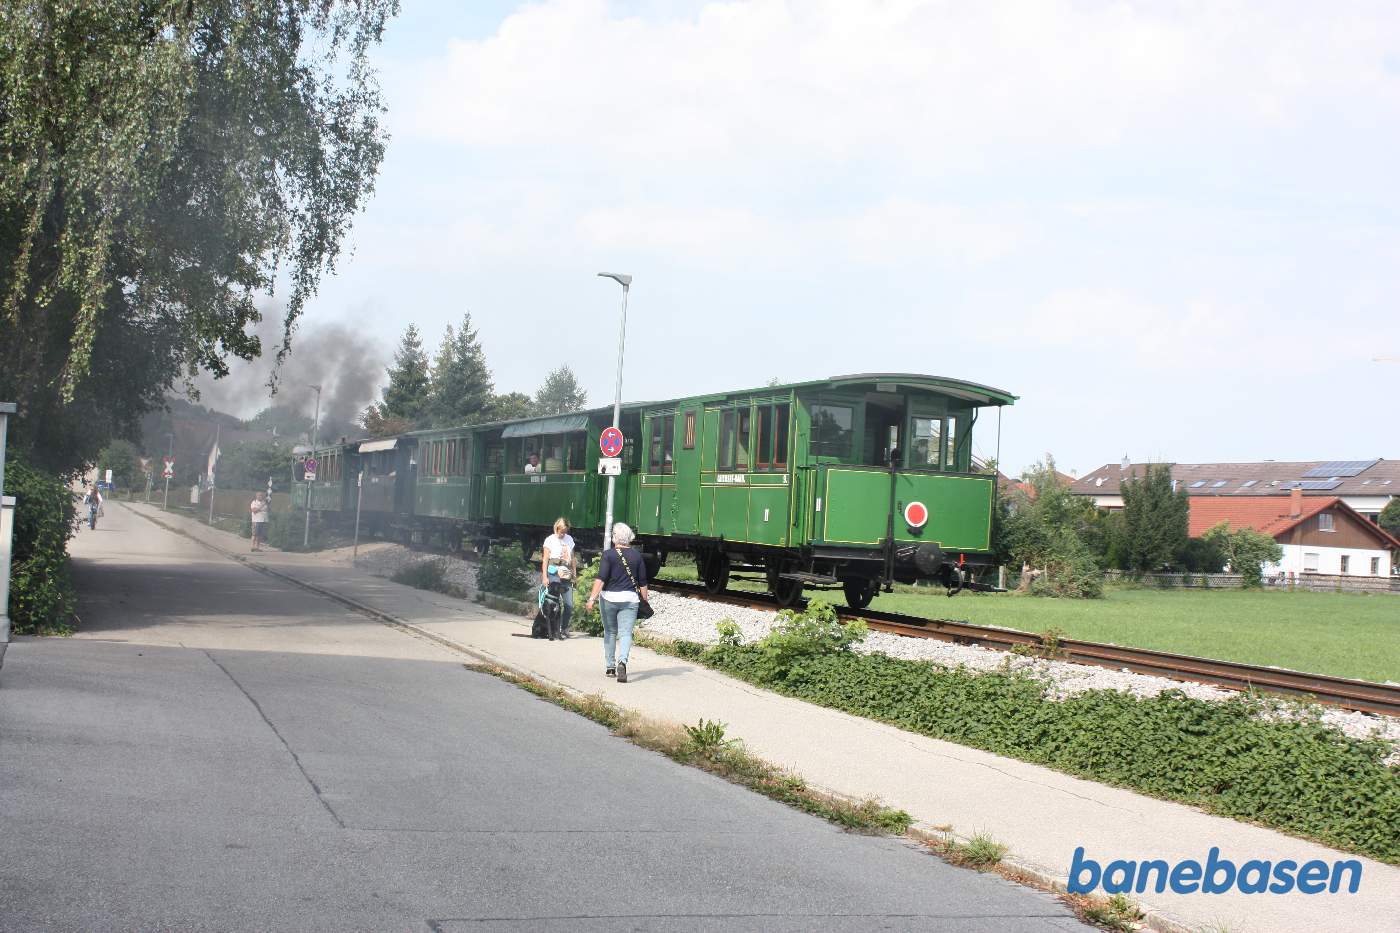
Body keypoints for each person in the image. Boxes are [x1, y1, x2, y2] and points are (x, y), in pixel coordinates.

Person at [585, 522, 649, 683]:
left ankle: (610, 667)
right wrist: (645, 601)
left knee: (610, 632)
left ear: (614, 538)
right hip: (630, 600)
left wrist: (592, 598)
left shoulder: (608, 555)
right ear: (629, 539)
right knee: (626, 633)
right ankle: (623, 662)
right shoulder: (637, 556)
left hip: (609, 599)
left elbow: (601, 578)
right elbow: (643, 582)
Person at [541, 517, 577, 638]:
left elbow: (572, 558)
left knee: (569, 605)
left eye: (565, 531)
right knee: (554, 604)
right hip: (554, 573)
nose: (563, 533)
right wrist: (545, 577)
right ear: (556, 528)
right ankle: (552, 629)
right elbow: (545, 559)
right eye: (561, 531)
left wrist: (574, 574)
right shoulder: (550, 540)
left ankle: (564, 627)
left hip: (566, 573)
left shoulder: (569, 539)